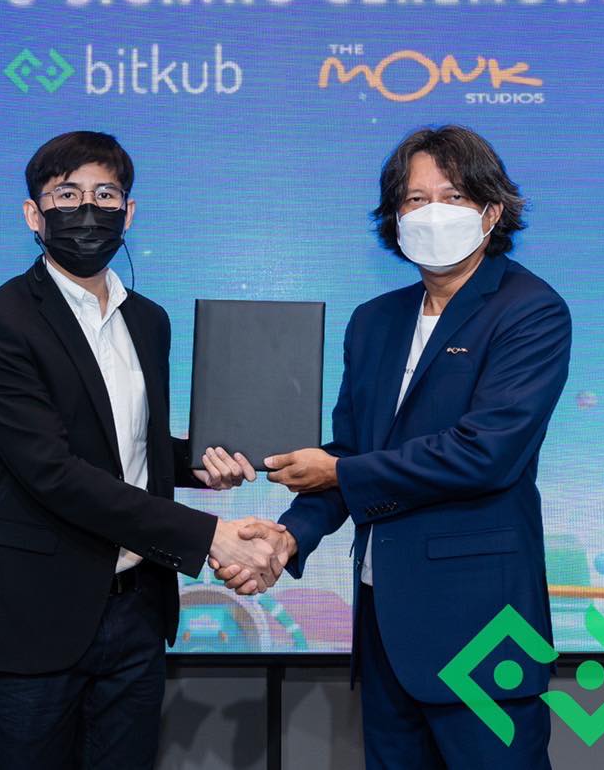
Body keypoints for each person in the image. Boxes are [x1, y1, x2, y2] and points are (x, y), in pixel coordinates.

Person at [218, 125, 573, 769]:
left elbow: (485, 453)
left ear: (492, 211)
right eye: (415, 199)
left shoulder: (530, 311)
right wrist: (290, 536)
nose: (433, 212)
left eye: (454, 196)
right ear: (395, 216)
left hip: (482, 628)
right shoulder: (375, 320)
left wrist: (339, 471)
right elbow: (349, 451)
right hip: (385, 623)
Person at [0, 130, 281, 770]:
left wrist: (201, 464)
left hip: (137, 611)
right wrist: (210, 536)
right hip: (35, 613)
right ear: (34, 214)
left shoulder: (148, 319)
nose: (87, 210)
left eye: (105, 195)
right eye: (66, 195)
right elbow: (51, 471)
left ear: (129, 212)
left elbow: (130, 444)